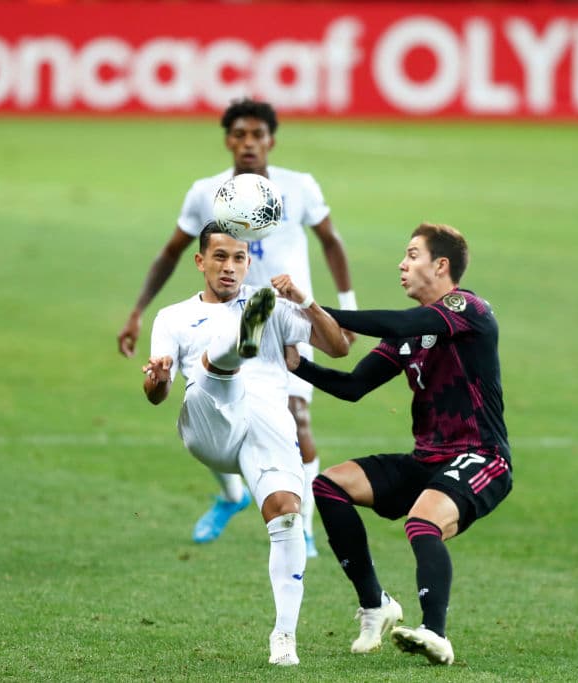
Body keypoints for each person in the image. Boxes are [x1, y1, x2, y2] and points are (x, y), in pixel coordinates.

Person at [118, 98, 355, 553]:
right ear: (227, 140)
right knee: (211, 410)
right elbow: (171, 252)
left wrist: (346, 307)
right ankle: (231, 495)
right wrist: (137, 311)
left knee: (298, 417)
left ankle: (303, 525)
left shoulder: (298, 187)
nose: (249, 143)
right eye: (240, 135)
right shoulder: (205, 192)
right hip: (224, 321)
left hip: (281, 320)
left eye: (257, 135)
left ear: (271, 141)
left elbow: (331, 241)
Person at [285, 223, 513, 666]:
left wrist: (312, 308)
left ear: (441, 265)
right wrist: (298, 366)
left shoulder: (467, 309)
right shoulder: (409, 334)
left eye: (412, 255)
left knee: (422, 521)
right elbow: (353, 386)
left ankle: (435, 633)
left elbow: (403, 321)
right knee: (330, 486)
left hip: (481, 456)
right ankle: (376, 605)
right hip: (427, 461)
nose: (402, 265)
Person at [143, 221, 349, 666]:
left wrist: (306, 301)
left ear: (248, 262)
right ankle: (233, 349)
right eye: (220, 257)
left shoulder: (271, 303)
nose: (229, 267)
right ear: (200, 261)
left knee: (287, 515)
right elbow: (157, 394)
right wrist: (158, 378)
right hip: (210, 423)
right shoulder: (173, 317)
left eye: (239, 258)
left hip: (266, 426)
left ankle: (284, 637)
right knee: (213, 376)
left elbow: (339, 348)